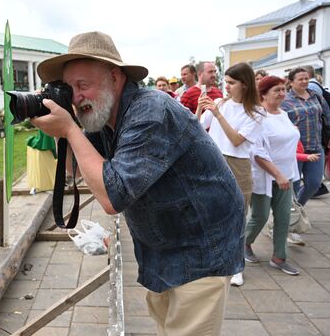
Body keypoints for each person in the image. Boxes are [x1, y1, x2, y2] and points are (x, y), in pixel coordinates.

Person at [32, 31, 244, 336]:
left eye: (84, 85)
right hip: (163, 241)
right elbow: (78, 170)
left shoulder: (151, 111)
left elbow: (111, 197)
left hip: (201, 245)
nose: (76, 97)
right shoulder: (105, 116)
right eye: (69, 88)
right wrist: (62, 134)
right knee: (166, 325)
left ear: (115, 78)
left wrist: (69, 130)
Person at [197, 62, 264, 286]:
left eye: (231, 83)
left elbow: (236, 141)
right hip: (214, 160)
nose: (226, 87)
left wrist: (217, 115)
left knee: (237, 215)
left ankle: (236, 266)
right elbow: (197, 126)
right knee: (210, 213)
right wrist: (200, 108)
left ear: (245, 85)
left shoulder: (256, 111)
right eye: (225, 82)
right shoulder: (219, 103)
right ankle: (212, 260)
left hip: (238, 165)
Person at [245, 76, 306, 276]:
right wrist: (277, 174)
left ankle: (279, 257)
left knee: (283, 217)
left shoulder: (284, 114)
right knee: (260, 216)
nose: (282, 93)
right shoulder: (257, 117)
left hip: (286, 174)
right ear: (263, 94)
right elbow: (257, 153)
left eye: (283, 89)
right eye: (276, 90)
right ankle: (244, 243)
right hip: (264, 176)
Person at [281, 67, 330, 207]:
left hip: (316, 147)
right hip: (295, 150)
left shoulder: (316, 96)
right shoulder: (284, 100)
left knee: (314, 184)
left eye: (306, 78)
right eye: (300, 79)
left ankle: (297, 209)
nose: (304, 81)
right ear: (290, 82)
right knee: (294, 186)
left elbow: (327, 115)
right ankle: (289, 216)